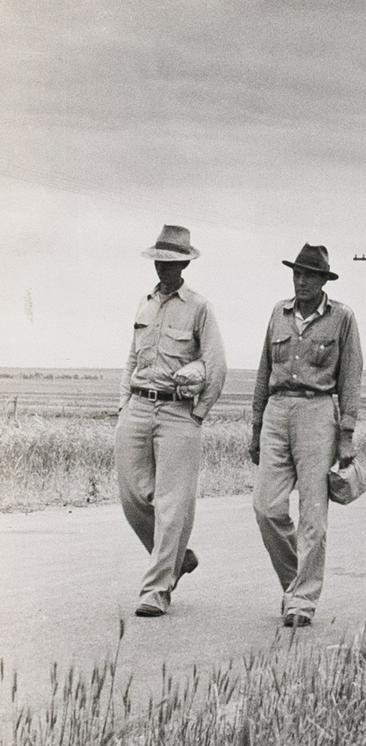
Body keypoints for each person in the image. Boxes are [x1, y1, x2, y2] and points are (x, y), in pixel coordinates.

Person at [116, 224, 227, 617]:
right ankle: (176, 558)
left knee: (171, 504)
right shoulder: (144, 304)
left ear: (184, 263)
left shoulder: (199, 308)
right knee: (132, 496)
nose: (164, 267)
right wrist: (123, 405)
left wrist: (198, 413)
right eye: (160, 260)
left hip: (179, 413)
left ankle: (156, 591)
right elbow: (132, 357)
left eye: (172, 261)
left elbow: (216, 366)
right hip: (138, 407)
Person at [251, 244, 364, 627]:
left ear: (323, 280)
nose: (302, 281)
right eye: (297, 274)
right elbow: (263, 370)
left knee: (313, 515)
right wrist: (255, 426)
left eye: (310, 275)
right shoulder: (277, 313)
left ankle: (302, 601)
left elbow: (350, 378)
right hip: (277, 411)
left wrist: (346, 434)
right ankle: (294, 583)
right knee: (267, 508)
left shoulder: (342, 318)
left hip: (318, 413)